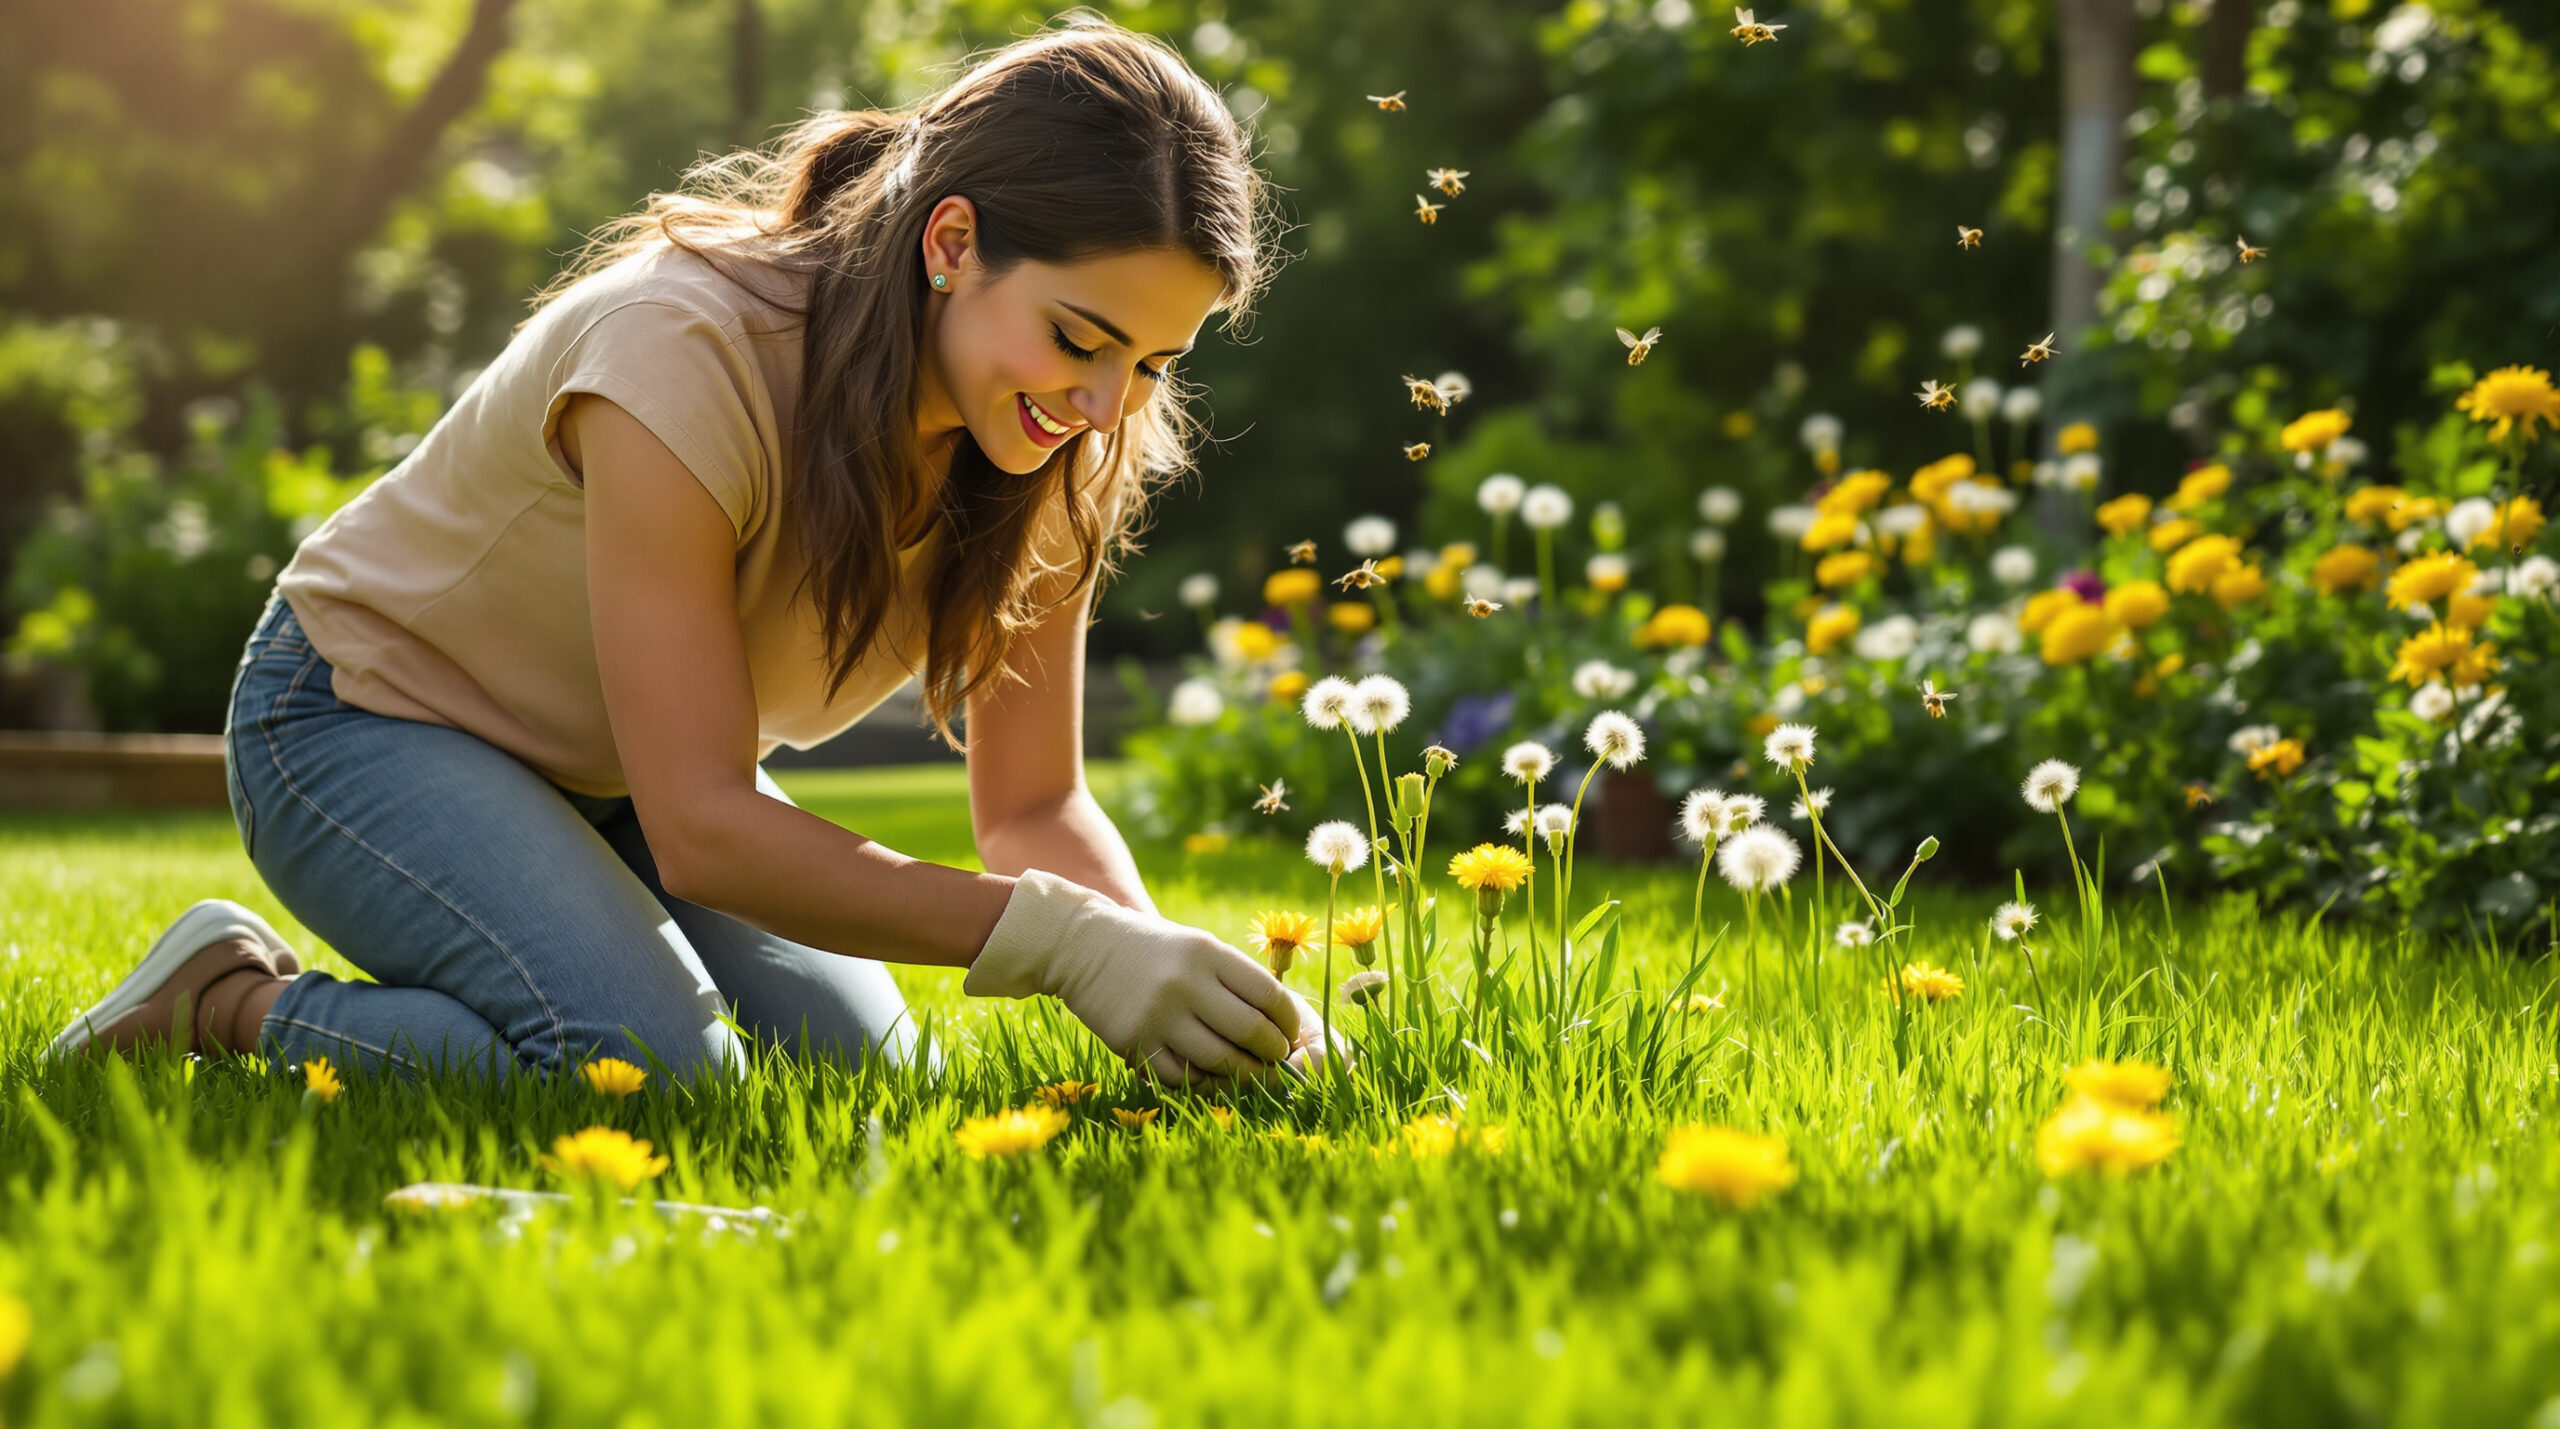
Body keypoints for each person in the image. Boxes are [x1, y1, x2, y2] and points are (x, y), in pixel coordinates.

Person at [49, 18, 1318, 1091]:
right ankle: (225, 1002)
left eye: (1152, 363)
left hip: (622, 778)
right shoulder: (682, 350)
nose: (1104, 405)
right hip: (363, 717)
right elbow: (706, 828)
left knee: (873, 1079)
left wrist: (1190, 998)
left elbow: (1033, 805)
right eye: (1080, 338)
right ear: (950, 244)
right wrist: (1067, 943)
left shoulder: (1060, 442)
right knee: (658, 1074)